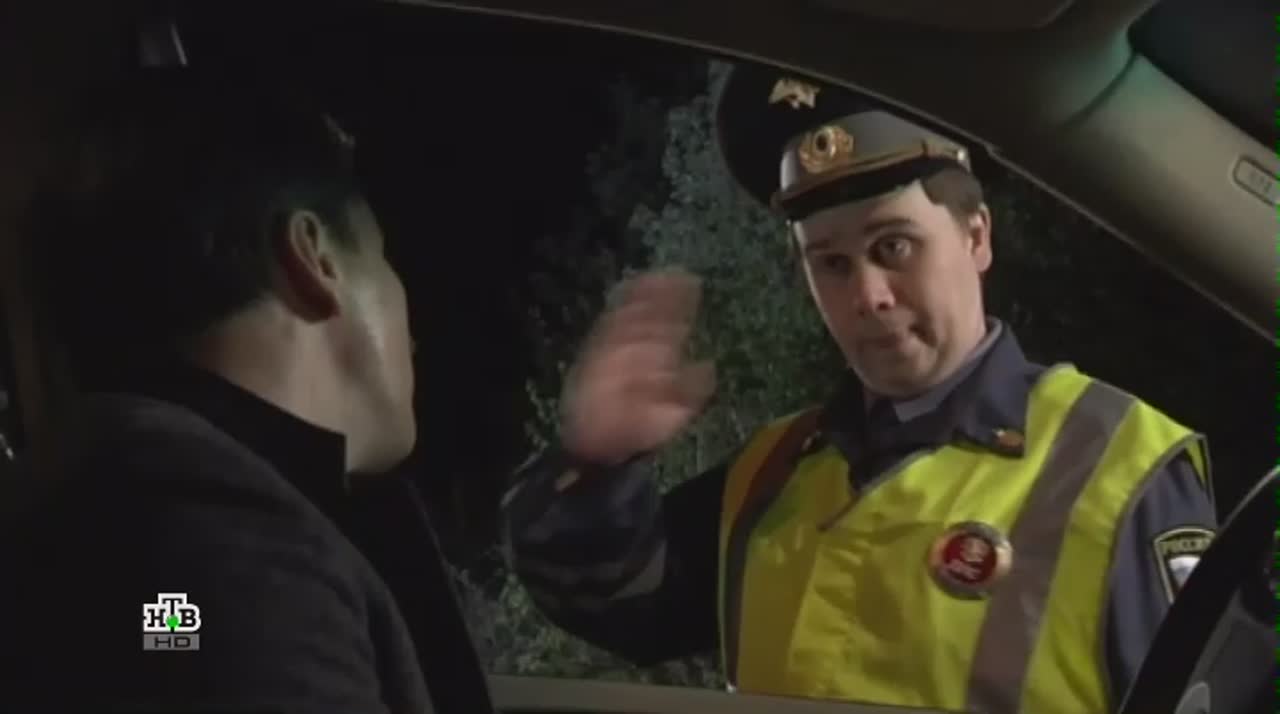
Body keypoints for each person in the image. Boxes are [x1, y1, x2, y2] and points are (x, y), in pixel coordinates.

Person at [500, 66, 1218, 714]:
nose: (868, 295)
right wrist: (596, 464)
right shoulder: (771, 470)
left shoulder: (1120, 467)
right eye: (832, 264)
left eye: (893, 246)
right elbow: (623, 608)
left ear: (976, 237)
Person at [0, 67, 492, 713]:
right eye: (383, 257)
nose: (411, 316)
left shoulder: (131, 488)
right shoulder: (211, 523)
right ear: (314, 258)